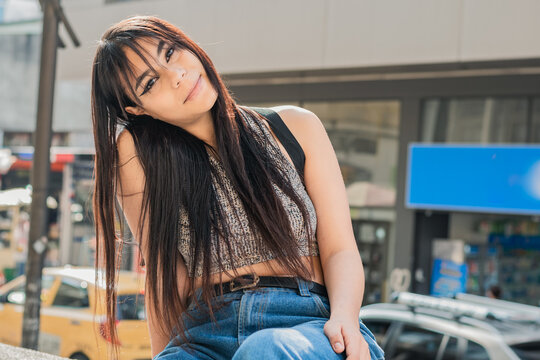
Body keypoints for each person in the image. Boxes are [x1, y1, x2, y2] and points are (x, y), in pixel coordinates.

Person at [91, 15, 384, 360]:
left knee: (264, 350)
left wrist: (346, 320)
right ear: (138, 109)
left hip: (307, 323)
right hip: (207, 331)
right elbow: (164, 277)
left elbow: (340, 250)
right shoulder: (146, 164)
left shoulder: (295, 127)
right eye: (150, 83)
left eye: (170, 53)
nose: (177, 76)